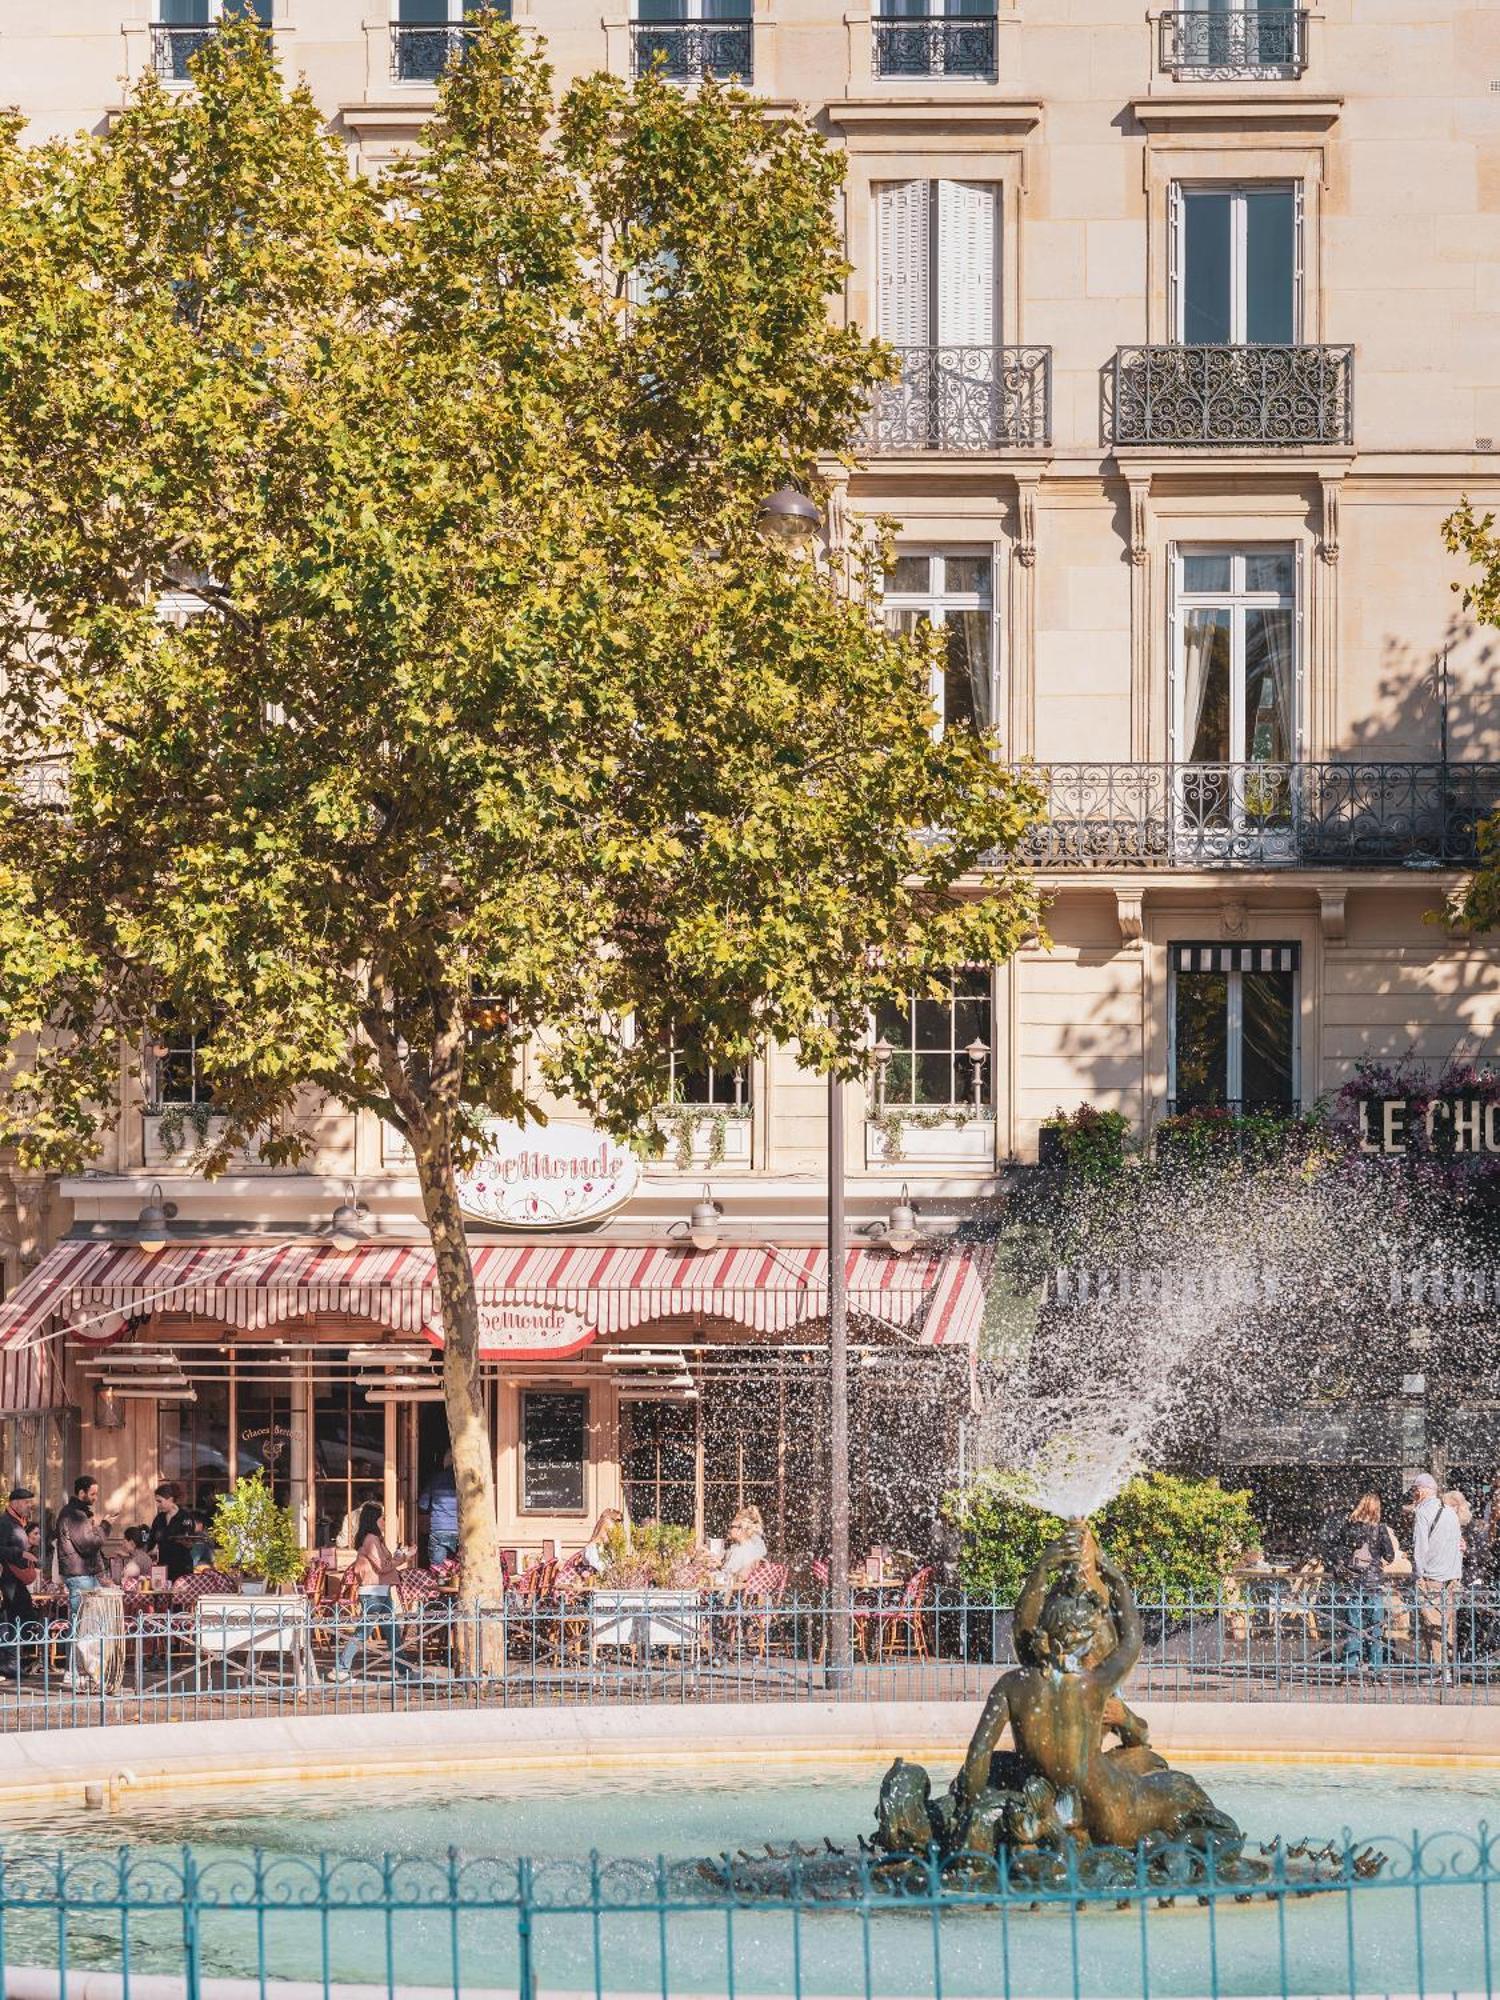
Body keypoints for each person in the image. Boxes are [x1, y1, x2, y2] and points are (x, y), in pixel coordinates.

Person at [328, 1503, 418, 1683]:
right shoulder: (371, 1539)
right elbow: (383, 1567)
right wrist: (404, 1558)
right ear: (373, 1519)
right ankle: (340, 1668)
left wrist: (401, 1554)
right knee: (364, 1632)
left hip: (379, 1591)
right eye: (382, 1518)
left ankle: (404, 1671)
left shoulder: (374, 1539)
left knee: (392, 1633)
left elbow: (385, 1562)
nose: (385, 1521)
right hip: (373, 1592)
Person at [1410, 1472, 1463, 1681]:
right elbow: (1458, 1545)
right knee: (1447, 1626)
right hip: (1452, 1577)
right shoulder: (1450, 1512)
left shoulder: (1422, 1513)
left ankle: (1441, 1671)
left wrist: (1418, 1575)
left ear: (1421, 1491)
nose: (1413, 1495)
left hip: (1432, 1577)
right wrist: (1456, 1573)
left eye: (1414, 1491)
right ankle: (1449, 1669)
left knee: (1432, 1626)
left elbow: (1420, 1548)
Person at [1338, 1492, 1395, 1675]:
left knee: (1353, 1627)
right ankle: (1376, 1669)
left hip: (1353, 1583)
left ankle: (1350, 1668)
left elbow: (1340, 1551)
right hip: (1374, 1584)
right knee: (1375, 1628)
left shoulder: (1349, 1527)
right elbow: (1390, 1556)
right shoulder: (1380, 1529)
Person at [56, 1475, 108, 1639]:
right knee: (82, 1625)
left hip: (84, 1574)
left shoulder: (79, 1513)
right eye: (92, 1494)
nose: (95, 1498)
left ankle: (84, 1664)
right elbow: (88, 1545)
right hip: (80, 1576)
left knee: (89, 1625)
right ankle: (77, 1664)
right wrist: (104, 1527)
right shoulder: (74, 1515)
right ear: (81, 1493)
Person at [0, 1486, 41, 1677]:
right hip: (7, 1580)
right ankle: (10, 1662)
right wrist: (20, 1553)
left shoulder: (19, 1523)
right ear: (14, 1503)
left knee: (20, 1617)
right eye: (26, 1503)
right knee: (19, 1616)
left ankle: (11, 1661)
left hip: (17, 1579)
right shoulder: (5, 1523)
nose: (29, 1506)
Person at [146, 1482, 195, 1583]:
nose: (158, 1505)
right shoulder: (159, 1519)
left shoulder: (185, 1517)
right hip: (163, 1567)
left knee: (179, 1596)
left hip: (181, 1567)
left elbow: (189, 1541)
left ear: (170, 1499)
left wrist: (184, 1542)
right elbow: (150, 1542)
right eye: (156, 1501)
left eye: (160, 1501)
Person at [418, 1451, 460, 1568]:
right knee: (458, 1570)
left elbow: (423, 1504)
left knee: (438, 1570)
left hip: (439, 1529)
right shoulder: (464, 1480)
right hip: (460, 1530)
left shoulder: (436, 1479)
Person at [714, 1506, 768, 1590]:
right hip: (743, 1595)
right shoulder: (754, 1546)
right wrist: (720, 1566)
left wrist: (715, 1569)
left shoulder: (741, 1550)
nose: (729, 1530)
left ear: (741, 1530)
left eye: (732, 1527)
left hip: (731, 1595)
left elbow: (731, 1577)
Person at [582, 1508, 625, 1575]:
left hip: (590, 1548)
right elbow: (605, 1539)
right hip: (596, 1550)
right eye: (618, 1520)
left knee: (593, 1574)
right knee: (606, 1573)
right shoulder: (609, 1523)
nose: (619, 1523)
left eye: (621, 1520)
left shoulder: (601, 1521)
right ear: (612, 1516)